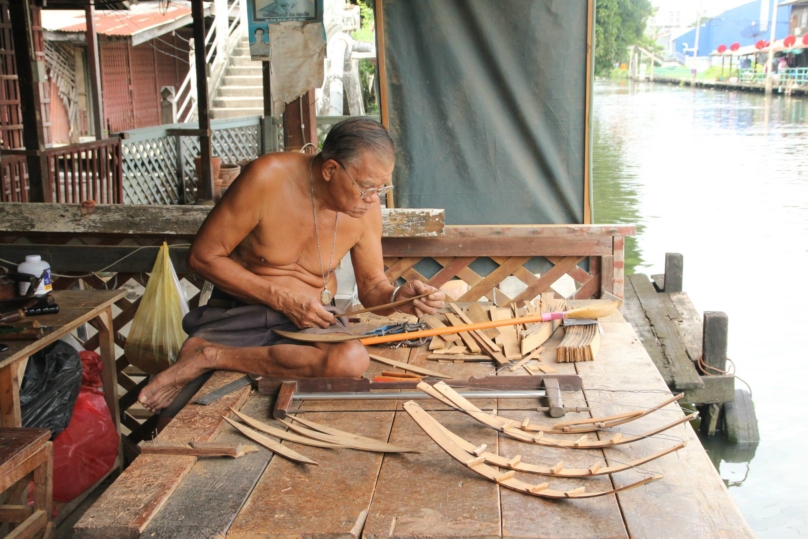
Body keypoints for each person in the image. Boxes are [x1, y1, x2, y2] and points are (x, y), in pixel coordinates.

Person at [138, 118, 445, 415]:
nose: (372, 199)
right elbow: (202, 258)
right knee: (179, 417)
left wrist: (399, 299)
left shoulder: (366, 208)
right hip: (241, 313)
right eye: (365, 187)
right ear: (330, 169)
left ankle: (211, 355)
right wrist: (282, 299)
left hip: (309, 324)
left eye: (381, 188)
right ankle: (205, 352)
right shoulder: (268, 177)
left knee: (351, 359)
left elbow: (372, 288)